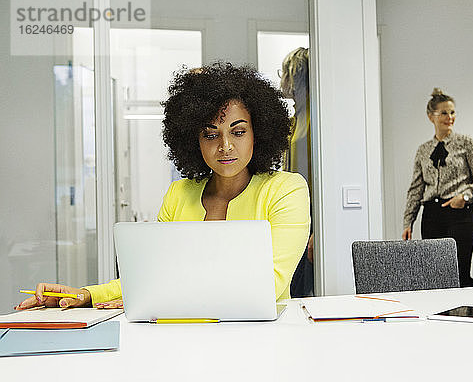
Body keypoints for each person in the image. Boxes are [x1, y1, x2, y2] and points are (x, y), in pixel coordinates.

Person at [15, 62, 310, 310]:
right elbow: (151, 276)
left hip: (262, 336)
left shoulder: (287, 190)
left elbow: (267, 285)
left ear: (258, 133)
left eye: (238, 131)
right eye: (210, 135)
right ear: (193, 140)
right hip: (180, 335)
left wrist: (161, 292)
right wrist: (86, 295)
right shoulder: (179, 194)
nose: (225, 146)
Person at [402, 88, 473, 287]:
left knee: (459, 274)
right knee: (436, 278)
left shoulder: (466, 143)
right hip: (432, 216)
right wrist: (408, 221)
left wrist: (464, 197)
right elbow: (416, 188)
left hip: (461, 215)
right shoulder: (423, 150)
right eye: (444, 113)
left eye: (452, 112)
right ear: (431, 117)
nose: (450, 117)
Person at [279, 47, 314, 298]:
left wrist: (318, 233)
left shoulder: (317, 117)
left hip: (310, 216)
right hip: (291, 211)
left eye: (287, 74)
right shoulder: (295, 119)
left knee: (301, 289)